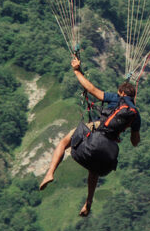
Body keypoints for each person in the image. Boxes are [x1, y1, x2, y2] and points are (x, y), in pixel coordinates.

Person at [38, 55, 140, 217]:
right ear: (133, 97)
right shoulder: (135, 114)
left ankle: (50, 172)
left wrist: (77, 71)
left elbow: (92, 90)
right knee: (94, 171)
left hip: (98, 132)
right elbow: (135, 142)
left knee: (65, 141)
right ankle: (88, 203)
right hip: (110, 146)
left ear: (121, 93)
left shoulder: (116, 98)